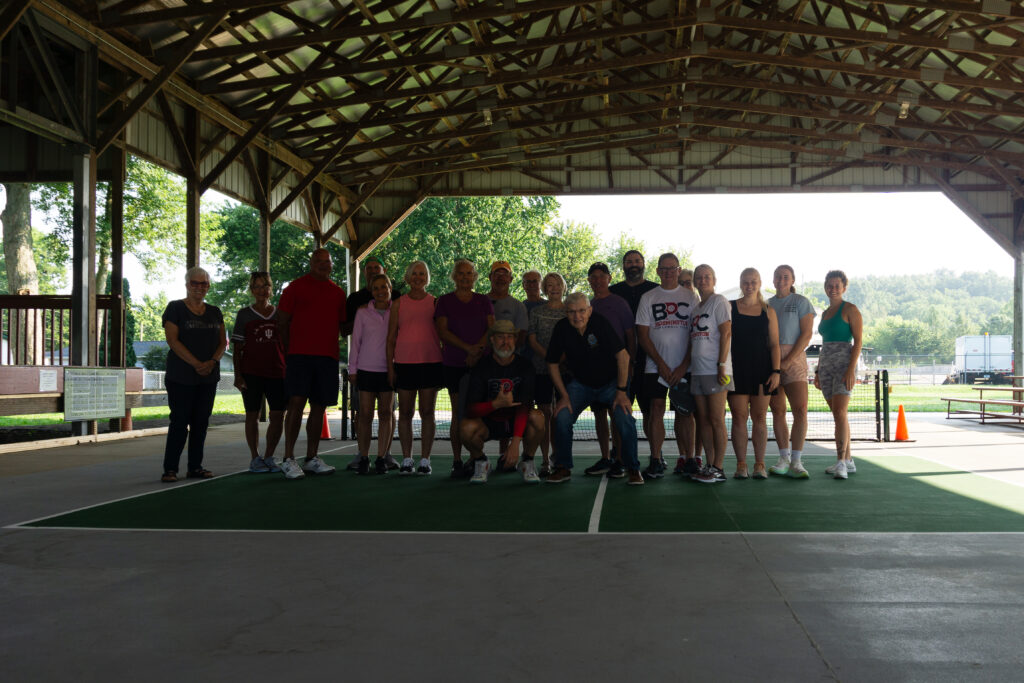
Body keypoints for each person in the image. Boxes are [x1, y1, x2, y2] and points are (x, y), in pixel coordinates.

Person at [545, 292, 643, 485]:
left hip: (611, 383)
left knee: (624, 418)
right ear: (566, 313)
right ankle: (563, 467)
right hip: (580, 385)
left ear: (589, 311)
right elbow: (551, 363)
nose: (577, 316)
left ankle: (633, 468)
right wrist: (563, 396)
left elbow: (623, 357)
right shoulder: (561, 328)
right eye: (572, 312)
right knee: (562, 416)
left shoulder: (601, 323)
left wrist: (621, 392)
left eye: (582, 311)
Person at [277, 248, 347, 480]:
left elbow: (345, 326)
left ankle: (311, 458)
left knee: (319, 406)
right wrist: (289, 352)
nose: (323, 265)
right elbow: (282, 322)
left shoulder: (338, 293)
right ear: (311, 263)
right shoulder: (294, 288)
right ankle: (289, 459)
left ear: (331, 265)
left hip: (327, 358)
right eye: (318, 261)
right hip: (299, 356)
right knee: (296, 403)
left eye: (327, 262)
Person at [635, 253, 699, 480]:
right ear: (658, 271)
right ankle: (655, 460)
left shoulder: (691, 298)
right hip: (655, 368)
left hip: (685, 368)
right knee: (656, 411)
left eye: (673, 268)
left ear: (679, 270)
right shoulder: (648, 297)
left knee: (685, 413)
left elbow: (697, 333)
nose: (669, 272)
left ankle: (688, 459)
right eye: (664, 268)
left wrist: (684, 365)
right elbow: (642, 335)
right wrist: (661, 364)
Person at [160, 267, 226, 482]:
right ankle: (170, 468)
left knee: (201, 422)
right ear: (187, 284)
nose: (199, 287)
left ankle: (195, 467)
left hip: (208, 376)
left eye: (203, 283)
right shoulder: (175, 308)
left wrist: (212, 362)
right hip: (181, 376)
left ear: (208, 286)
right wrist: (197, 363)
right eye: (194, 283)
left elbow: (222, 342)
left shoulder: (215, 311)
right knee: (179, 422)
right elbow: (173, 341)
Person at [460, 320, 545, 484]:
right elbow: (470, 410)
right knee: (465, 428)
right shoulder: (481, 367)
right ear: (492, 340)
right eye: (500, 337)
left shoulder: (525, 366)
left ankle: (527, 462)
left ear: (515, 339)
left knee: (538, 417)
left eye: (510, 337)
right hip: (488, 423)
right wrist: (495, 404)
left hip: (515, 421)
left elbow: (525, 406)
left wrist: (515, 443)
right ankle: (481, 462)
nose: (506, 342)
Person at [435, 259, 495, 477]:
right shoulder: (444, 301)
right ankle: (457, 461)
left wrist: (477, 351)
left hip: (481, 365)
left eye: (469, 273)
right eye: (460, 273)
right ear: (454, 276)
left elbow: (491, 330)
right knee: (458, 414)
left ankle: (475, 459)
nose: (465, 277)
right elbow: (442, 331)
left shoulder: (483, 301)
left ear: (475, 276)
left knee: (476, 413)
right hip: (453, 364)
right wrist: (468, 349)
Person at [386, 260, 443, 475]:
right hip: (404, 365)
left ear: (426, 278)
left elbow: (443, 335)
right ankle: (408, 459)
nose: (418, 277)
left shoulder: (435, 302)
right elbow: (391, 338)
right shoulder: (398, 303)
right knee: (406, 413)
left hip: (430, 364)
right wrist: (390, 368)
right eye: (414, 273)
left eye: (422, 274)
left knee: (427, 412)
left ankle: (425, 460)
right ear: (408, 277)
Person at [344, 255, 399, 469]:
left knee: (386, 414)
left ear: (390, 288)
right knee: (365, 415)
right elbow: (355, 343)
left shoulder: (398, 310)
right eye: (376, 288)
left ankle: (381, 457)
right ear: (371, 290)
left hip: (388, 371)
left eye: (383, 287)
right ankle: (364, 457)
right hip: (365, 371)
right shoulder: (362, 313)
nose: (380, 291)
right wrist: (353, 369)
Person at [727, 268, 781, 480]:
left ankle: (760, 464)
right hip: (737, 370)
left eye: (753, 281)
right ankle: (741, 464)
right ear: (740, 283)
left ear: (759, 283)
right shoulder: (730, 308)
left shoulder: (769, 311)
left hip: (763, 371)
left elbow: (775, 345)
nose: (749, 285)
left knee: (759, 417)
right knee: (738, 418)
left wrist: (776, 371)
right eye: (745, 281)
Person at [584, 262, 637, 478]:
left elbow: (630, 335)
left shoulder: (619, 303)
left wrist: (631, 363)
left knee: (618, 413)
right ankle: (606, 457)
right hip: (595, 371)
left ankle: (621, 459)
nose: (597, 280)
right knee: (599, 414)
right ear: (589, 280)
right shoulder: (588, 305)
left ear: (609, 278)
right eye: (593, 277)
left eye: (601, 276)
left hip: (618, 369)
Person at [231, 271, 286, 474]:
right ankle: (255, 458)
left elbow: (286, 346)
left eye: (266, 286)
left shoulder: (280, 314)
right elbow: (237, 349)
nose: (262, 290)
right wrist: (238, 375)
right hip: (251, 372)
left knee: (278, 415)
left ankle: (269, 456)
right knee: (252, 415)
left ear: (271, 289)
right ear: (252, 290)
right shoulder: (244, 314)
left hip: (278, 373)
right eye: (257, 286)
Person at [767, 265, 816, 478]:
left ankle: (797, 460)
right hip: (770, 360)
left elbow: (806, 335)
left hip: (795, 360)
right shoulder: (766, 305)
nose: (781, 280)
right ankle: (783, 457)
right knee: (777, 411)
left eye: (785, 277)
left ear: (792, 279)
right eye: (778, 276)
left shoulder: (801, 302)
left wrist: (788, 360)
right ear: (773, 279)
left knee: (800, 410)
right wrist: (776, 363)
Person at [815, 270, 864, 480]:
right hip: (826, 365)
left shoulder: (851, 309)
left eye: (837, 285)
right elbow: (823, 344)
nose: (833, 289)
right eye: (830, 285)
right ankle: (848, 460)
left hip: (844, 365)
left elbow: (858, 342)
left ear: (844, 288)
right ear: (825, 287)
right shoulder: (825, 313)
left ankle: (841, 462)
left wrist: (851, 369)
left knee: (841, 413)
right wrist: (818, 371)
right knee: (837, 415)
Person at [689, 264, 733, 484]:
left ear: (714, 280)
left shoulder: (719, 302)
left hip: (716, 370)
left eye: (707, 276)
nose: (703, 280)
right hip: (697, 371)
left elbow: (726, 333)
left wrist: (721, 364)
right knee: (703, 420)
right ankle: (709, 464)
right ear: (695, 282)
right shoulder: (696, 308)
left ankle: (719, 467)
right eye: (699, 277)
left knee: (717, 419)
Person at [609, 249, 658, 440]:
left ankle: (657, 455)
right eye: (629, 262)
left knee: (650, 410)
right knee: (618, 410)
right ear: (623, 266)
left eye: (637, 261)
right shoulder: (613, 292)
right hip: (619, 360)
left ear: (644, 264)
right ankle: (618, 455)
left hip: (649, 360)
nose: (634, 264)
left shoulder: (656, 290)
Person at [527, 272, 567, 476]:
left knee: (560, 415)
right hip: (541, 370)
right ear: (544, 288)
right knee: (544, 414)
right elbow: (532, 341)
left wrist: (561, 360)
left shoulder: (570, 311)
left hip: (565, 371)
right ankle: (544, 460)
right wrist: (550, 359)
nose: (554, 288)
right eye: (549, 285)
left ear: (563, 287)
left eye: (557, 284)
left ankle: (559, 458)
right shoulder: (536, 312)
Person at [487, 261, 529, 349]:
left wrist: (506, 355)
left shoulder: (519, 306)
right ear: (490, 277)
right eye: (497, 274)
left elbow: (521, 337)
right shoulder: (479, 302)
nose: (501, 278)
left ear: (511, 279)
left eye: (505, 274)